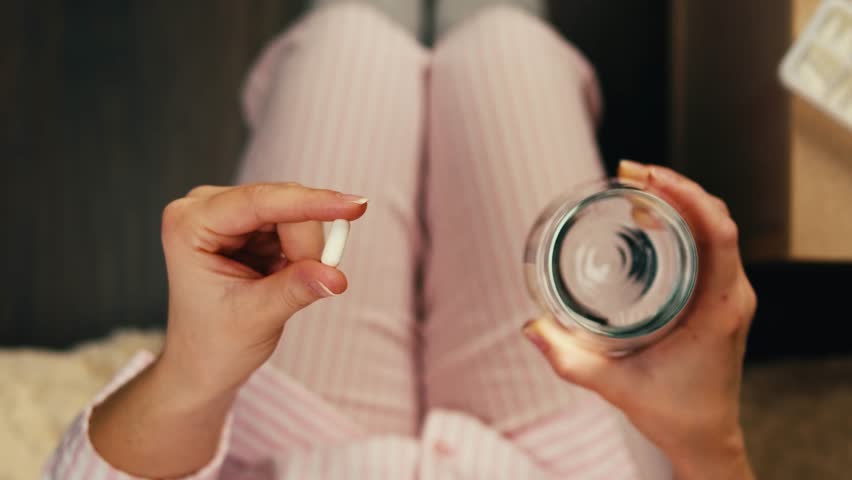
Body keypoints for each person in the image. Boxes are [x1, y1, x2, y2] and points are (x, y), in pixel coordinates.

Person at [46, 1, 758, 478]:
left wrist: (193, 375)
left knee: (349, 42)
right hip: (561, 459)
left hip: (285, 450)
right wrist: (706, 441)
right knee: (507, 47)